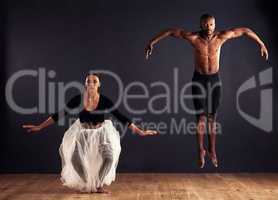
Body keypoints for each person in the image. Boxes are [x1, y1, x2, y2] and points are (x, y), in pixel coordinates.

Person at [145, 13, 268, 168]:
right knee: (200, 118)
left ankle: (212, 150)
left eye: (211, 24)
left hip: (214, 80)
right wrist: (152, 42)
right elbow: (171, 31)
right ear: (201, 24)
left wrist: (261, 43)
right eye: (205, 24)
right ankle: (200, 150)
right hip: (199, 80)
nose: (208, 27)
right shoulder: (194, 38)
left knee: (212, 118)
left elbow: (244, 31)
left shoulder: (221, 37)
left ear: (214, 25)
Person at [22, 73, 158, 193]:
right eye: (88, 81)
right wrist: (40, 127)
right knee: (75, 159)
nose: (91, 83)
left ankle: (98, 185)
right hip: (83, 133)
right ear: (85, 84)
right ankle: (87, 183)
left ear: (99, 84)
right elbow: (60, 114)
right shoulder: (79, 99)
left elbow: (120, 116)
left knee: (109, 158)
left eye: (94, 81)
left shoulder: (104, 100)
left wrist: (140, 131)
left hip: (101, 133)